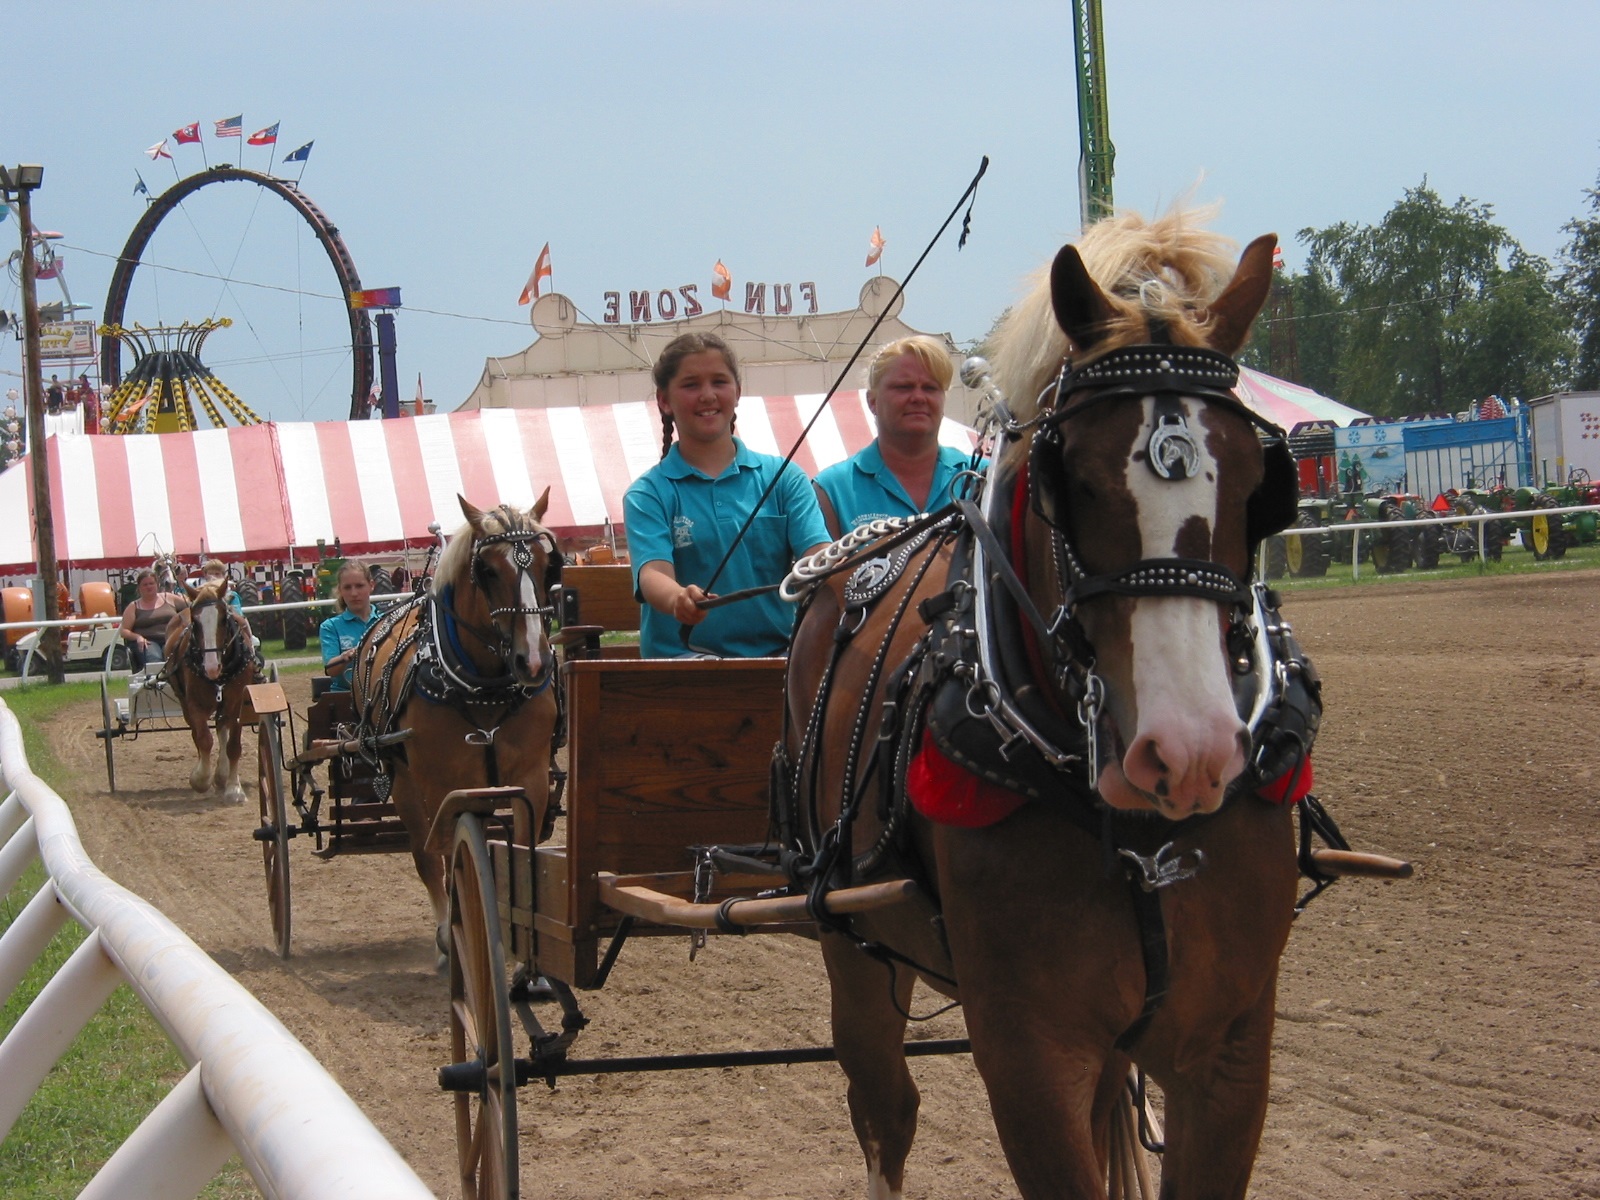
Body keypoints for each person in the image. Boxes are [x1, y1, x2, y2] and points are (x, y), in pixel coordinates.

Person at [623, 332, 830, 658]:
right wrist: (679, 599)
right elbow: (653, 575)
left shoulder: (785, 477)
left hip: (779, 660)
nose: (707, 395)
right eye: (691, 385)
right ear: (664, 400)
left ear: (737, 393)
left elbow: (818, 555)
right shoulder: (648, 493)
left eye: (719, 382)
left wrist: (837, 564)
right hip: (682, 665)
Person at [814, 335, 974, 537]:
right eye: (903, 387)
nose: (918, 397)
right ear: (872, 401)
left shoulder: (983, 478)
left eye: (930, 388)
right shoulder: (832, 489)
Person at [319, 562, 379, 691]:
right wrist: (344, 658)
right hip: (344, 697)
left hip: (381, 695)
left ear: (371, 585)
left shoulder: (387, 620)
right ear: (340, 590)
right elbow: (330, 670)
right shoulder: (330, 627)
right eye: (347, 587)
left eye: (359, 586)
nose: (354, 593)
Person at [119, 569, 188, 670]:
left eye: (151, 583)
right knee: (155, 659)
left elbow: (190, 607)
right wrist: (138, 637)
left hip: (171, 638)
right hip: (148, 642)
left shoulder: (169, 598)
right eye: (145, 584)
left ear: (157, 584)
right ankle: (156, 683)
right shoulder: (133, 606)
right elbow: (124, 631)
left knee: (176, 657)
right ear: (139, 587)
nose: (149, 587)